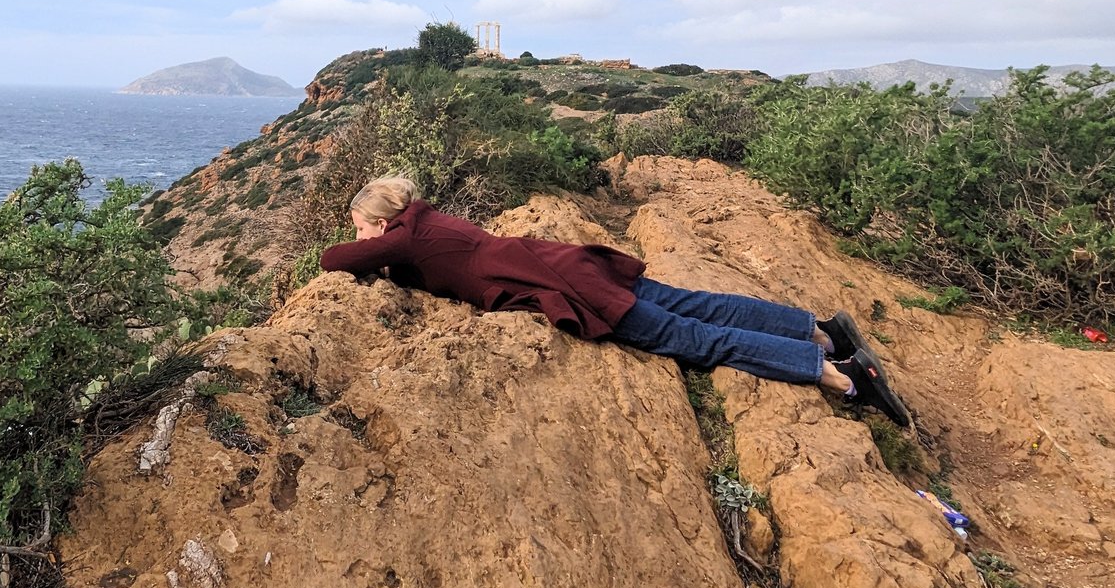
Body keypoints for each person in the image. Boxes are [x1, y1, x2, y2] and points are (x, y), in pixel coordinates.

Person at [319, 176, 909, 424]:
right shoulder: (427, 221)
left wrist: (371, 250)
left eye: (361, 227)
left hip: (564, 286)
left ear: (380, 222)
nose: (361, 238)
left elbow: (333, 260)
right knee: (698, 305)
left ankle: (838, 374)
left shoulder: (404, 237)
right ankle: (821, 329)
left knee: (694, 340)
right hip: (566, 262)